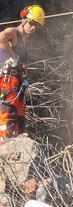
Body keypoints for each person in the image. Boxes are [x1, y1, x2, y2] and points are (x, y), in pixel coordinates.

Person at [0, 5, 45, 140]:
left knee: (18, 113)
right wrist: (13, 56)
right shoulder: (14, 32)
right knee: (8, 110)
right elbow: (1, 37)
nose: (32, 28)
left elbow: (21, 62)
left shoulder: (24, 40)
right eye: (31, 23)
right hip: (7, 80)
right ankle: (3, 139)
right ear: (24, 19)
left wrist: (23, 73)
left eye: (36, 26)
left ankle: (16, 137)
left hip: (16, 82)